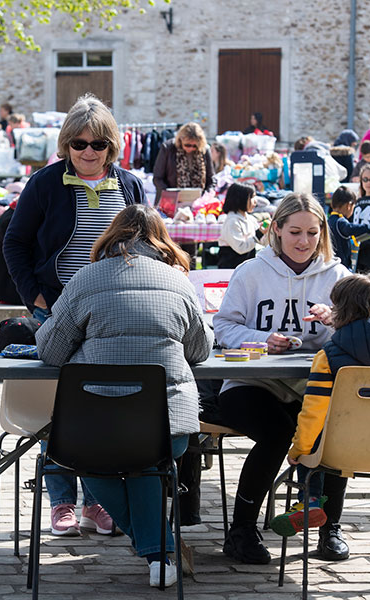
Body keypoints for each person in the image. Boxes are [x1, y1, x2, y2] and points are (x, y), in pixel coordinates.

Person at [35, 204, 213, 587]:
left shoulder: (84, 279)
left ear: (110, 236)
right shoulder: (180, 282)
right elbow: (201, 350)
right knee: (147, 459)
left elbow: (50, 351)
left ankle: (157, 550)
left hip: (93, 429)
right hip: (170, 428)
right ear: (161, 239)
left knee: (85, 456)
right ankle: (161, 554)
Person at [3, 93, 145, 537]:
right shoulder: (45, 184)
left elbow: (143, 244)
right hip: (58, 309)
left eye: (97, 144)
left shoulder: (129, 186)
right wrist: (37, 301)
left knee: (100, 407)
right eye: (78, 143)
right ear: (65, 144)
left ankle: (96, 502)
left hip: (111, 312)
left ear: (111, 147)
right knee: (57, 406)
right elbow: (15, 244)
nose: (87, 151)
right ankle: (61, 499)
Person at [212, 192, 351, 565]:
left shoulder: (338, 277)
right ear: (276, 230)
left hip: (313, 385)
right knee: (274, 435)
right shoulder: (252, 271)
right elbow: (223, 325)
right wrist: (261, 339)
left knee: (333, 433)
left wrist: (335, 321)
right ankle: (242, 529)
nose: (304, 242)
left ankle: (329, 527)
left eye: (312, 232)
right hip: (252, 382)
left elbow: (359, 334)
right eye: (294, 232)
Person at [270, 273, 370, 552]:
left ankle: (312, 503)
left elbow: (313, 412)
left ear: (340, 310)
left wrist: (298, 449)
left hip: (340, 450)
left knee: (314, 449)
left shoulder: (328, 355)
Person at [152, 122, 215, 206]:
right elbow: (157, 178)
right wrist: (170, 194)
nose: (191, 148)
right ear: (180, 139)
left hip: (198, 203)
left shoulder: (204, 150)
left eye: (194, 146)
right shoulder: (168, 148)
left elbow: (211, 179)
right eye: (187, 145)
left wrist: (206, 196)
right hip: (171, 202)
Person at [327, 187, 370, 271]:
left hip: (330, 263)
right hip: (341, 265)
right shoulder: (340, 222)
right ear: (349, 205)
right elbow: (351, 228)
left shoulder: (329, 221)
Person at [217, 182, 267, 269]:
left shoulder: (250, 219)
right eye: (251, 197)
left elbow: (262, 242)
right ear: (241, 199)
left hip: (246, 267)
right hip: (231, 267)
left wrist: (267, 232)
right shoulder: (232, 221)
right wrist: (259, 233)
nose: (255, 201)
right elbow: (241, 248)